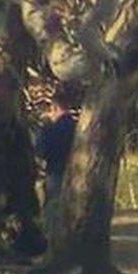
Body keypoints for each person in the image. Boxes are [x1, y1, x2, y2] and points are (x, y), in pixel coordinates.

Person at [35, 83, 78, 213]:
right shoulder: (77, 127)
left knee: (52, 210)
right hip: (74, 174)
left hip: (55, 172)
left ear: (55, 108)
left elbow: (41, 151)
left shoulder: (51, 128)